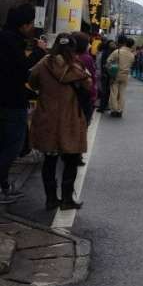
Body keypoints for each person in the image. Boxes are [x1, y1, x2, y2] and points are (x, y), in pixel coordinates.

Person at [28, 34, 92, 211]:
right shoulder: (77, 67)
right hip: (70, 119)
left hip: (47, 118)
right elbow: (89, 86)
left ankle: (50, 199)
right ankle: (66, 200)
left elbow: (32, 81)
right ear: (72, 47)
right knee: (71, 160)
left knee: (49, 161)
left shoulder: (43, 63)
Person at [0, 3, 46, 204]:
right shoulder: (10, 41)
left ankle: (4, 187)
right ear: (23, 25)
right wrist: (39, 52)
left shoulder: (6, 37)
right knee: (12, 146)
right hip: (10, 102)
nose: (32, 29)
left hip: (7, 98)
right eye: (30, 24)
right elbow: (22, 70)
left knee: (5, 145)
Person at [106, 37, 135, 117]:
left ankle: (114, 110)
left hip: (115, 74)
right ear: (132, 45)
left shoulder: (118, 51)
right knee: (122, 93)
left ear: (125, 43)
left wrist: (110, 70)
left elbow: (108, 61)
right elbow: (131, 64)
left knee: (114, 92)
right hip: (125, 75)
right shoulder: (132, 55)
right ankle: (120, 110)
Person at [72, 32, 97, 125]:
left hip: (68, 97)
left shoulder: (66, 56)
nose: (90, 45)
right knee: (82, 126)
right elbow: (92, 79)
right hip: (84, 96)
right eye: (88, 43)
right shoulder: (87, 58)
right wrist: (93, 96)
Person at [97, 39, 116, 113]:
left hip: (108, 73)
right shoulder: (107, 52)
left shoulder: (109, 52)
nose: (113, 45)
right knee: (105, 91)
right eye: (111, 43)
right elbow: (103, 64)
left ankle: (103, 106)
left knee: (106, 91)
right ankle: (103, 106)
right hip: (107, 73)